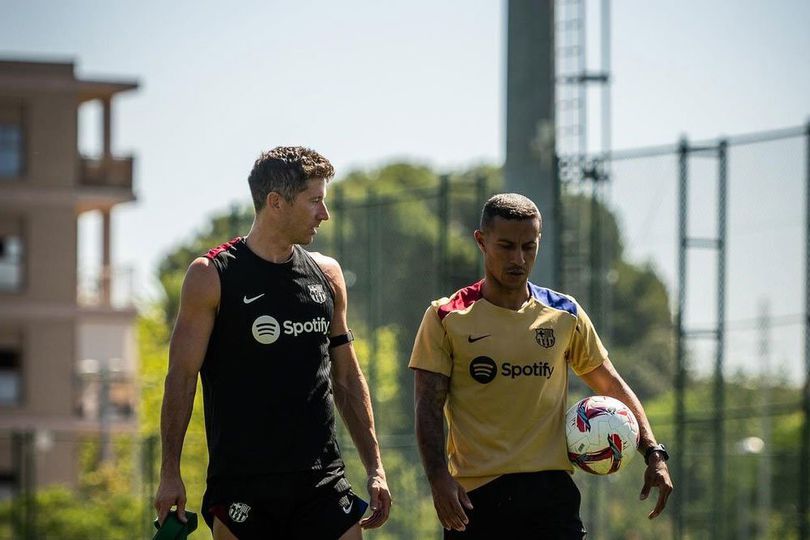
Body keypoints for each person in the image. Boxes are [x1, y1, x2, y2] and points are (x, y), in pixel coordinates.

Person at [154, 146, 392, 539]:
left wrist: (375, 467)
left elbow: (347, 378)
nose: (324, 213)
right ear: (276, 202)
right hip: (244, 486)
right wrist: (169, 474)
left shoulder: (327, 275)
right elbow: (180, 378)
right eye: (315, 201)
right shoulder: (211, 276)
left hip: (322, 481)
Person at [409, 193, 672, 539]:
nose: (518, 258)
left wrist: (653, 451)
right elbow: (427, 406)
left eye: (528, 247)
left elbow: (611, 386)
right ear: (481, 241)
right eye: (506, 246)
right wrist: (438, 478)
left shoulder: (565, 314)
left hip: (551, 496)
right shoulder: (446, 316)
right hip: (476, 500)